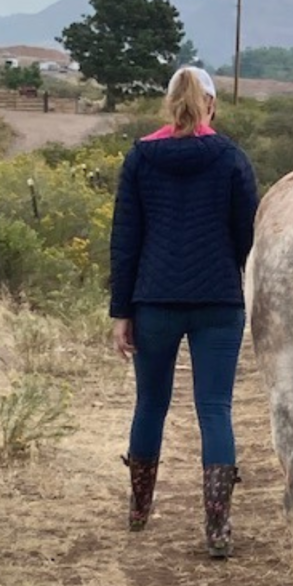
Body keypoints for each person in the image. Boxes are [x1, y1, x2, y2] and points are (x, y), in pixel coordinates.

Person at [109, 66, 259, 558]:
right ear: (211, 105)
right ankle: (217, 528)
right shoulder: (232, 159)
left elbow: (125, 241)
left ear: (168, 104)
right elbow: (247, 239)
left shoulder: (140, 158)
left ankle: (138, 510)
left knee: (150, 403)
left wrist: (121, 310)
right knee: (214, 408)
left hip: (154, 300)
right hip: (218, 302)